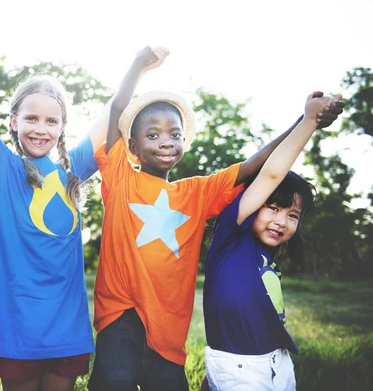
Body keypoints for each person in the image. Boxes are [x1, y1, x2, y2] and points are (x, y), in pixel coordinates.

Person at [0, 0, 168, 389]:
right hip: (15, 320)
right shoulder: (3, 167)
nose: (40, 128)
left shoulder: (74, 169)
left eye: (51, 121)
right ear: (13, 122)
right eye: (31, 118)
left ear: (62, 127)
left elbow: (112, 113)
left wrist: (138, 67)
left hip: (64, 321)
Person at [87, 54, 345, 388]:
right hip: (120, 317)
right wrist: (139, 65)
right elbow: (118, 108)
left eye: (174, 134)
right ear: (132, 147)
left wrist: (305, 118)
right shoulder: (120, 178)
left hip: (169, 331)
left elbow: (254, 165)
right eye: (153, 135)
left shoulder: (197, 191)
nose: (166, 140)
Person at [201, 93, 341, 391]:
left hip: (277, 365)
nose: (281, 220)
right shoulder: (231, 236)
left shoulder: (264, 260)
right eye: (273, 208)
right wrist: (309, 121)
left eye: (293, 215)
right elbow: (272, 173)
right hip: (243, 371)